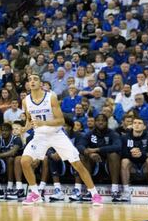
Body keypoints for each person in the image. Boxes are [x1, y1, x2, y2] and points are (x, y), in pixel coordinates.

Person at [19, 75, 103, 205]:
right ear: (28, 84)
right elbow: (30, 120)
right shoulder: (25, 101)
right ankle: (35, 194)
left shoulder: (50, 97)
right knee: (24, 161)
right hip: (40, 136)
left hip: (56, 134)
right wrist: (24, 129)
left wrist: (44, 123)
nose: (32, 81)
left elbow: (60, 120)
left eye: (35, 79)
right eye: (30, 80)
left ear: (40, 83)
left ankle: (95, 194)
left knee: (77, 164)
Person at [76, 113, 122, 201]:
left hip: (108, 164)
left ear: (107, 122)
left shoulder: (112, 133)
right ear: (95, 122)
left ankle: (115, 190)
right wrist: (88, 153)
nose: (100, 123)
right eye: (98, 121)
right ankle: (89, 190)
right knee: (83, 155)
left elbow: (118, 146)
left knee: (114, 154)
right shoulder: (90, 134)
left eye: (103, 121)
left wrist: (97, 149)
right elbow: (79, 145)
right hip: (93, 163)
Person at [0, 122, 22, 200]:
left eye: (6, 130)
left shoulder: (17, 139)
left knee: (10, 158)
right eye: (2, 130)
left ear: (11, 131)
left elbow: (13, 152)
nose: (4, 132)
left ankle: (10, 187)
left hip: (17, 166)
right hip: (4, 165)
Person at [120, 117, 148, 202]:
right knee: (124, 161)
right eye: (135, 123)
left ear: (144, 127)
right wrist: (131, 154)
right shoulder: (125, 137)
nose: (137, 125)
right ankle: (126, 191)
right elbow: (121, 153)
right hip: (132, 169)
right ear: (132, 125)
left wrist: (142, 154)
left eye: (139, 123)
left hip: (145, 169)